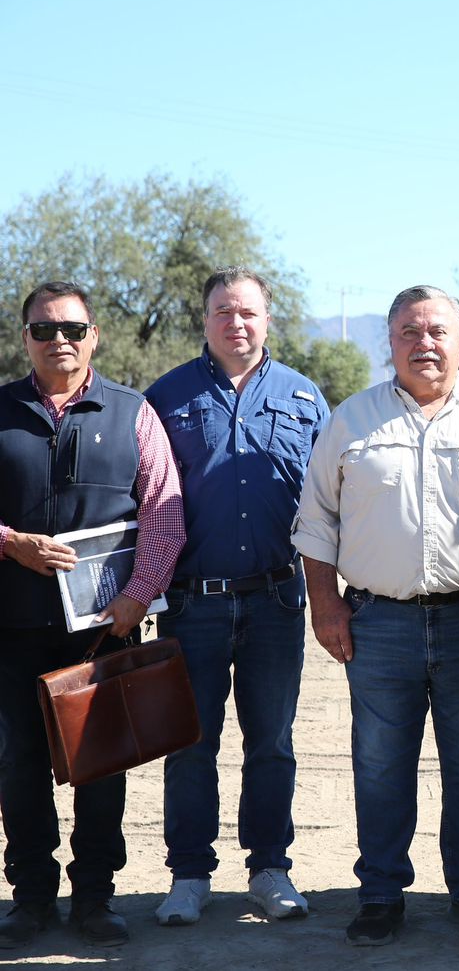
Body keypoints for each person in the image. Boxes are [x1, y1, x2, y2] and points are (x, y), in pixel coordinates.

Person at [292, 285, 459, 946]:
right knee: (379, 765)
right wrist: (325, 603)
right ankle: (380, 895)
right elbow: (316, 521)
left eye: (436, 331)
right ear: (389, 342)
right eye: (408, 331)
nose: (423, 342)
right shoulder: (352, 419)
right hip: (378, 622)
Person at [0, 280, 184, 950]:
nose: (60, 341)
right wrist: (11, 543)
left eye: (72, 329)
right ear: (25, 337)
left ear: (94, 336)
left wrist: (138, 595)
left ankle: (95, 899)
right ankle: (31, 899)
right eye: (44, 330)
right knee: (19, 767)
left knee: (100, 766)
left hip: (104, 631)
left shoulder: (133, 412)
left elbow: (165, 512)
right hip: (12, 631)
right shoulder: (0, 410)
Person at [144, 268, 329, 926]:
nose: (236, 322)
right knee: (190, 742)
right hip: (192, 604)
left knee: (272, 742)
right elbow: (142, 503)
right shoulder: (164, 398)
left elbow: (330, 504)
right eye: (223, 311)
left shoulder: (305, 398)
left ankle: (269, 869)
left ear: (267, 319)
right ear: (205, 319)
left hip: (277, 601)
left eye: (248, 311)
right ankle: (189, 876)